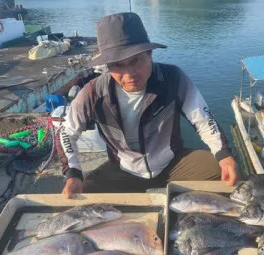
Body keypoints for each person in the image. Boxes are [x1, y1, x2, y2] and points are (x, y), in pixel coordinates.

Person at [59, 12, 239, 199]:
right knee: (82, 195)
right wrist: (73, 173)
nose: (129, 74)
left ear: (150, 54)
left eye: (136, 60)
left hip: (173, 164)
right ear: (107, 65)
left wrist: (223, 154)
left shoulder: (173, 79)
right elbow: (66, 132)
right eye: (118, 65)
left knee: (221, 171)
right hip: (123, 169)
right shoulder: (93, 93)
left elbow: (203, 120)